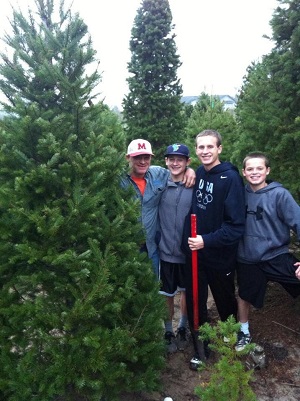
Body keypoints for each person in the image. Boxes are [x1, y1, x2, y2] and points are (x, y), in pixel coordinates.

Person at [182, 129, 246, 370]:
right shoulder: (198, 172)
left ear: (219, 148)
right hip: (195, 254)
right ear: (196, 150)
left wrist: (206, 240)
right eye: (201, 148)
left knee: (224, 299)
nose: (205, 151)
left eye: (210, 147)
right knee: (196, 301)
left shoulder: (230, 178)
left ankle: (231, 336)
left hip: (219, 254)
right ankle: (201, 347)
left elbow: (236, 226)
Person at [236, 152, 300, 351]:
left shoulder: (280, 194)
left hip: (276, 254)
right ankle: (243, 331)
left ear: (267, 170)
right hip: (247, 256)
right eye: (250, 169)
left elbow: (298, 222)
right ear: (244, 172)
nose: (255, 172)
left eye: (259, 168)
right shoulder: (239, 194)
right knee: (244, 295)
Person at [122, 139, 195, 279]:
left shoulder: (158, 174)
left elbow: (177, 171)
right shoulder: (118, 179)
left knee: (154, 290)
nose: (143, 161)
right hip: (126, 248)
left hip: (151, 248)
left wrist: (190, 170)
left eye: (146, 157)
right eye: (137, 157)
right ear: (128, 158)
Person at [158, 143, 193, 353]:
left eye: (180, 159)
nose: (175, 162)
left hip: (187, 253)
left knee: (186, 292)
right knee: (167, 293)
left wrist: (194, 173)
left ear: (188, 162)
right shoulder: (159, 184)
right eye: (171, 158)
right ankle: (168, 330)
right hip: (165, 252)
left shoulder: (194, 185)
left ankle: (183, 326)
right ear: (166, 161)